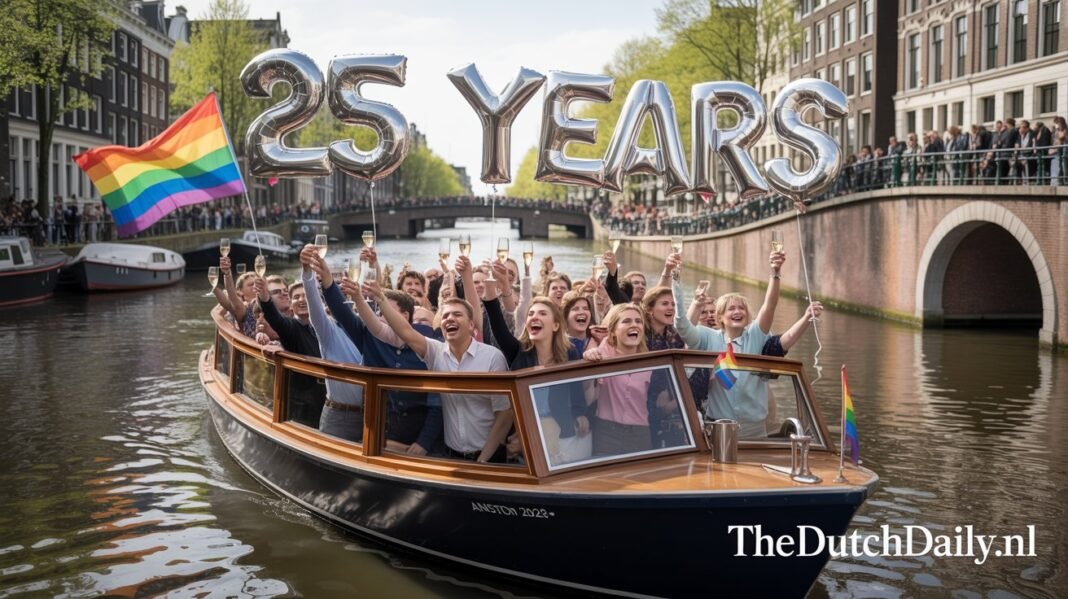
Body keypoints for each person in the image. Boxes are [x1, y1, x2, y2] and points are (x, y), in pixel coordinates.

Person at [365, 274, 511, 464]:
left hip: (489, 457)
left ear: (472, 325)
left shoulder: (492, 357)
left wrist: (482, 461)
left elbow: (505, 415)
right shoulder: (435, 352)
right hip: (452, 456)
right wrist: (381, 300)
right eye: (445, 316)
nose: (450, 318)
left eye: (457, 315)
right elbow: (406, 332)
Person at [672, 250, 784, 439]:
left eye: (741, 308)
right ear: (720, 317)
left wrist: (775, 273)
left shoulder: (755, 335)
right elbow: (682, 326)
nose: (737, 311)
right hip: (719, 425)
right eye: (731, 308)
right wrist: (677, 282)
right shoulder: (708, 337)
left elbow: (769, 306)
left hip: (754, 427)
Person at [481, 279, 589, 465]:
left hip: (562, 430)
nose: (534, 317)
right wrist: (491, 289)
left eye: (542, 313)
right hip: (525, 431)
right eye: (531, 314)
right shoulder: (518, 352)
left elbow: (575, 386)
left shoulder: (569, 351)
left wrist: (580, 412)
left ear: (555, 325)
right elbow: (499, 328)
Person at [582, 303, 670, 456]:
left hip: (641, 433)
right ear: (613, 331)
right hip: (606, 432)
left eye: (638, 321)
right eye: (626, 321)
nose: (634, 325)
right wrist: (590, 355)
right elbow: (588, 392)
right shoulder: (604, 353)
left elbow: (659, 403)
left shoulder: (651, 362)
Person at [300, 246, 365, 441]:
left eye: (343, 287)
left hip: (374, 416)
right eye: (336, 289)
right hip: (339, 416)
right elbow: (314, 304)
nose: (341, 292)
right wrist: (307, 270)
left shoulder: (373, 329)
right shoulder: (328, 329)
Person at [254, 278, 327, 429]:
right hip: (305, 404)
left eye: (306, 296)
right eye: (296, 297)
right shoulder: (292, 327)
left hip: (328, 398)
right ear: (291, 306)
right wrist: (264, 296)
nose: (302, 300)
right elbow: (275, 319)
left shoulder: (326, 326)